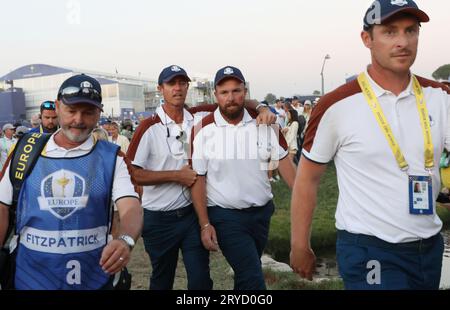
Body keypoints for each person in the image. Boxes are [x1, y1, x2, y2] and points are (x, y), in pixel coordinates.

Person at [290, 0, 450, 290]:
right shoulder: (336, 104)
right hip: (370, 248)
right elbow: (307, 179)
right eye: (390, 32)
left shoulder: (440, 96)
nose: (403, 41)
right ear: (367, 39)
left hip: (428, 245)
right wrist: (299, 244)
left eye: (411, 31)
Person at [127, 65, 275, 290]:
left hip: (190, 215)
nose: (177, 88)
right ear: (160, 89)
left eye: (182, 83)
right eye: (171, 84)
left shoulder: (198, 115)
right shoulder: (148, 127)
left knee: (200, 280)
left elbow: (238, 101)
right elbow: (133, 173)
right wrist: (176, 176)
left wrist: (263, 107)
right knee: (162, 279)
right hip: (159, 217)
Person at [0, 74, 142, 290]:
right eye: (71, 110)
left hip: (93, 280)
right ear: (57, 107)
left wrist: (126, 240)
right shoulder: (24, 151)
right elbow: (2, 207)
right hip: (28, 280)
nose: (79, 120)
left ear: (99, 113)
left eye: (88, 112)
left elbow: (131, 207)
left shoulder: (113, 157)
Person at [190, 66, 296, 290]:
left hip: (261, 214)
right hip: (226, 216)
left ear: (245, 91)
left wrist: (302, 201)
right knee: (253, 279)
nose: (231, 98)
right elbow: (198, 179)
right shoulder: (202, 129)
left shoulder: (265, 123)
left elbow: (286, 167)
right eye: (224, 92)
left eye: (236, 91)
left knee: (245, 274)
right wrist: (204, 223)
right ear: (215, 95)